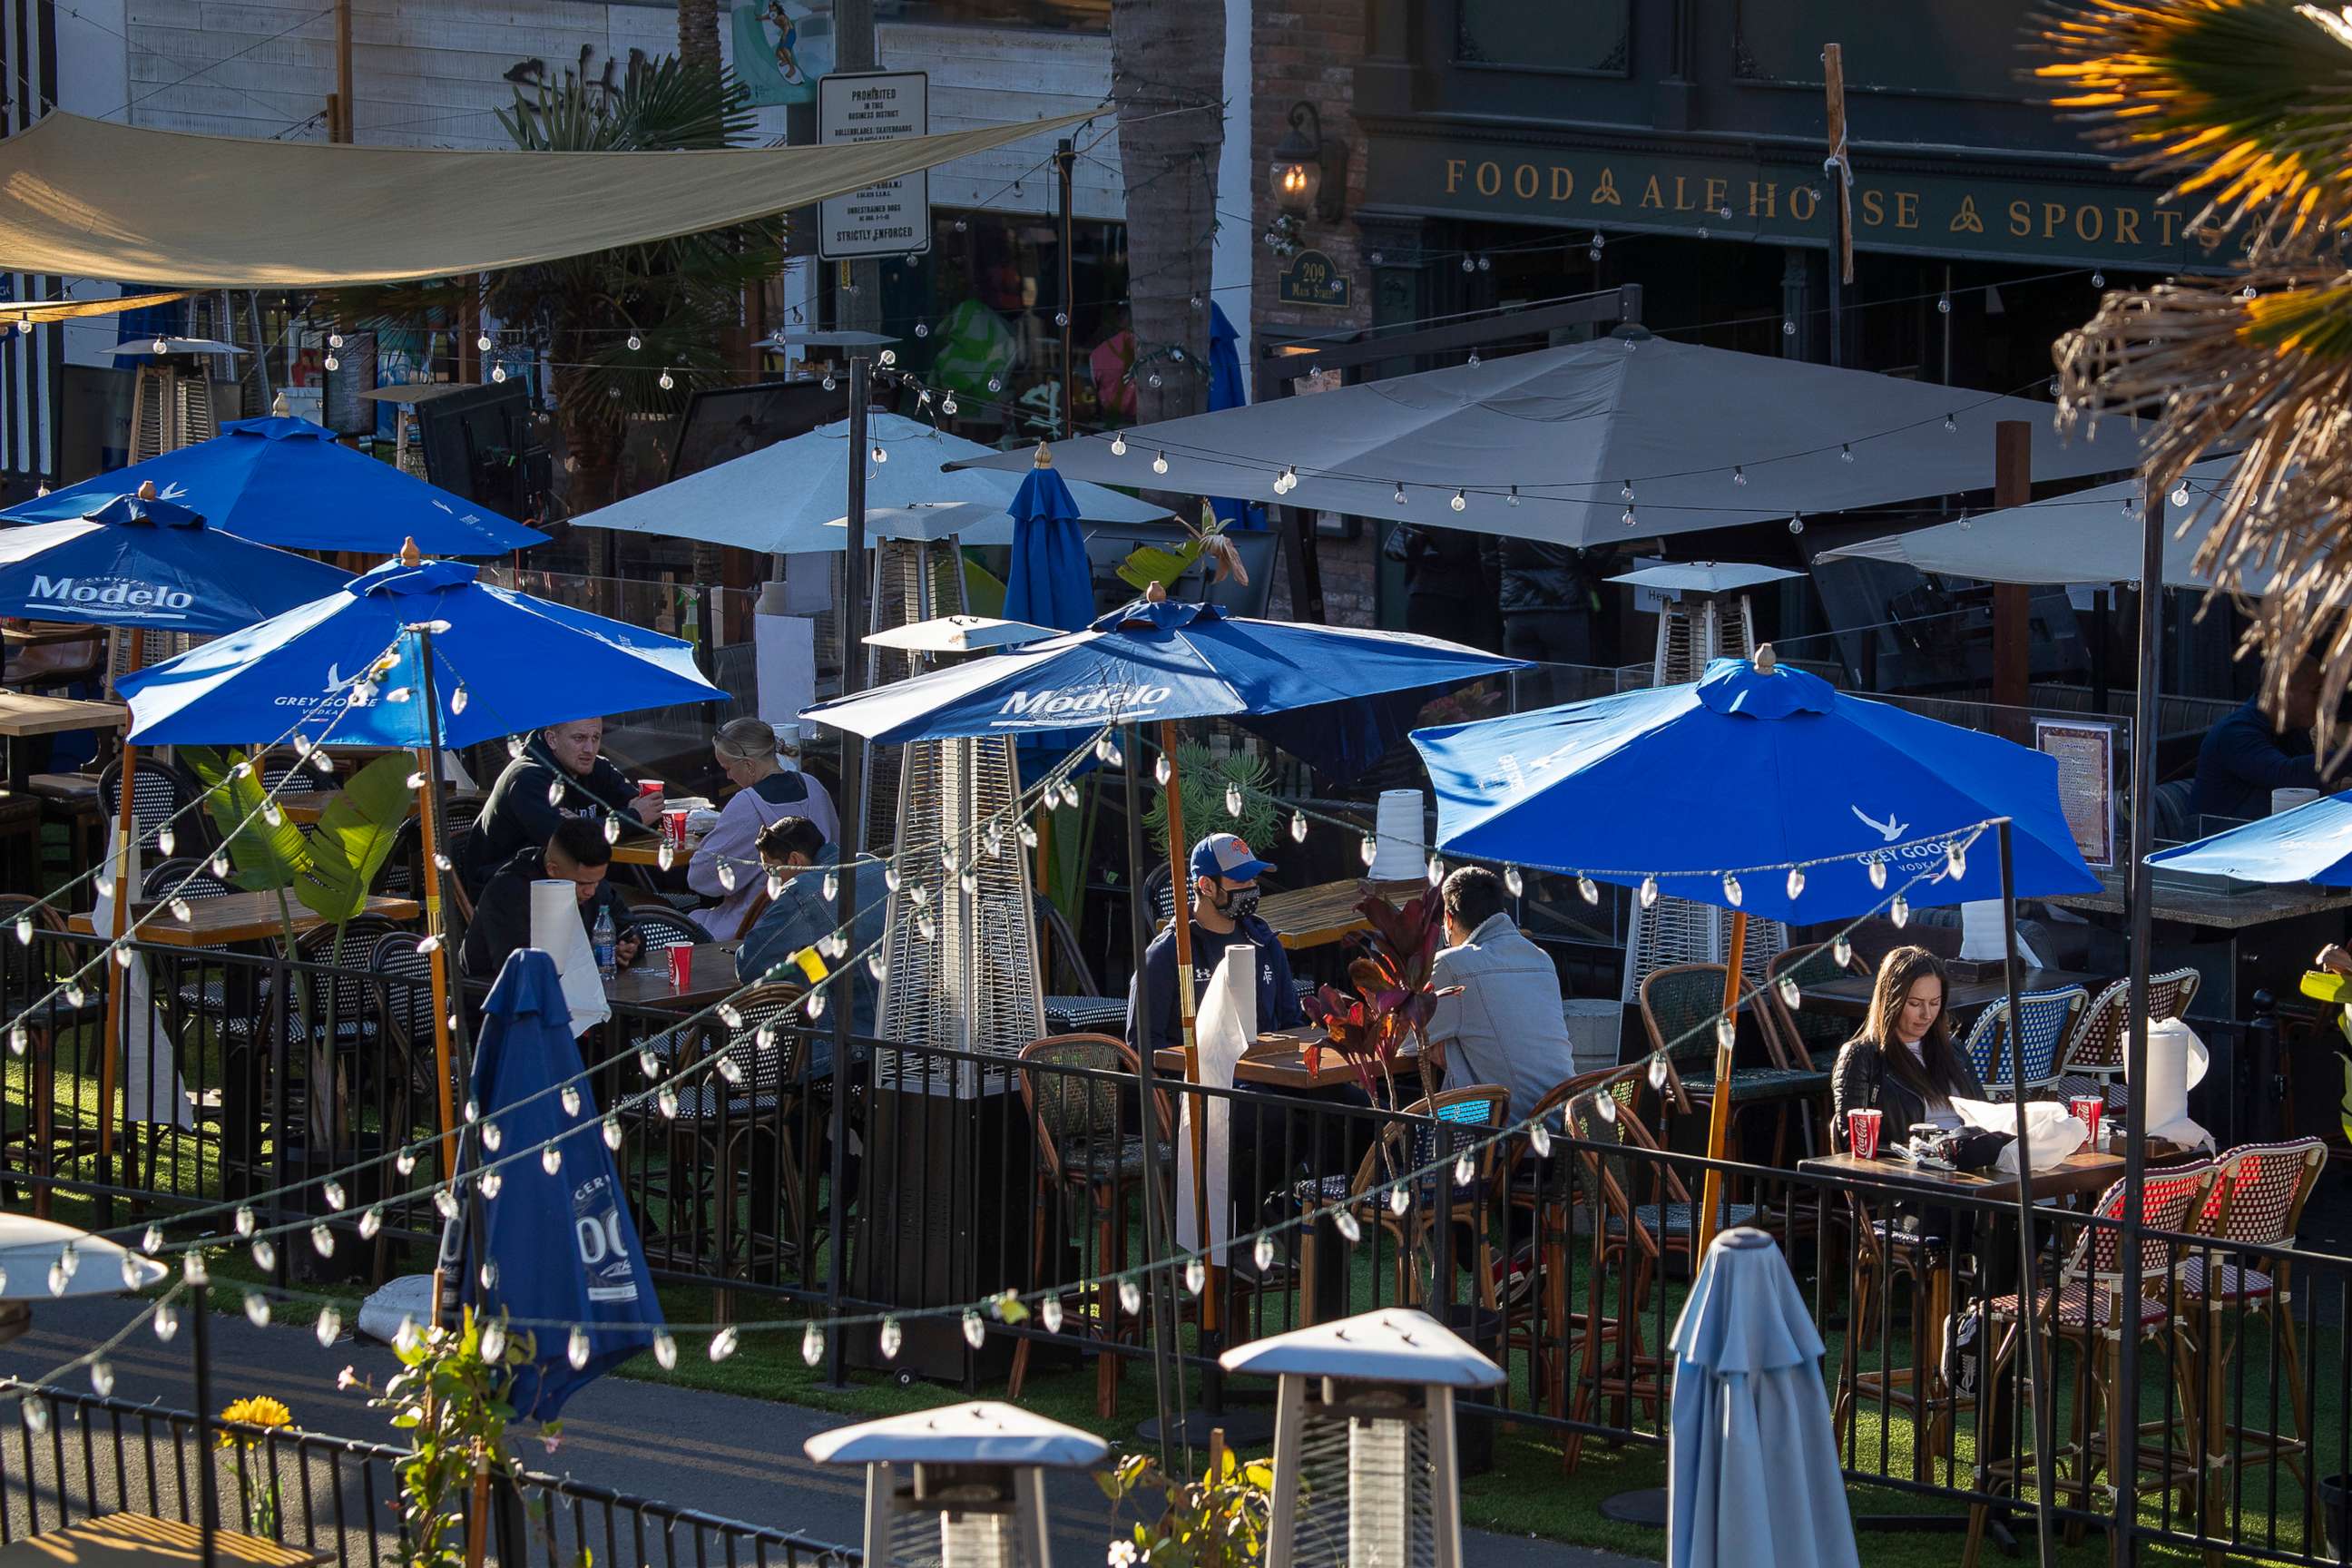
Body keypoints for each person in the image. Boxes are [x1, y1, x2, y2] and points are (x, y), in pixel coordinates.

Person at [1125, 832, 1307, 1055]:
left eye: (1254, 879)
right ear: (1207, 885)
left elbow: (1292, 1022)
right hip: (1206, 1083)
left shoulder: (1265, 942)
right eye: (1241, 880)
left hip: (1273, 1073)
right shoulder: (1167, 953)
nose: (1252, 887)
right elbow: (1143, 1044)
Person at [1425, 866, 1574, 1118]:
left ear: (1448, 920)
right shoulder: (1541, 960)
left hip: (1501, 1136)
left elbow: (1408, 1043)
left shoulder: (1451, 963)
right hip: (1563, 1125)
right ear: (1502, 912)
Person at [736, 816, 886, 1058]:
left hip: (849, 1048)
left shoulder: (803, 890)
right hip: (907, 1030)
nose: (770, 882)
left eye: (772, 871)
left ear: (795, 860)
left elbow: (750, 965)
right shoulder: (875, 865)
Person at [463, 717, 662, 897]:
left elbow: (650, 814)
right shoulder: (527, 778)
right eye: (579, 738)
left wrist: (585, 826)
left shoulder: (597, 767)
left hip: (571, 880)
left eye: (595, 738)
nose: (589, 749)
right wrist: (631, 817)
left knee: (658, 885)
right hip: (508, 890)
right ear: (552, 739)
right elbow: (566, 845)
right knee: (628, 902)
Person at [687, 718, 840, 939]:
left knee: (685, 925)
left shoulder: (747, 804)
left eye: (728, 768)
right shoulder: (814, 787)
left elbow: (701, 877)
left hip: (760, 925)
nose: (728, 776)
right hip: (823, 917)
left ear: (748, 765)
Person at [1828, 946, 1987, 1151]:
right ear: (1891, 1001)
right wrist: (1912, 1152)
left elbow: (1986, 1114)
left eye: (1935, 1003)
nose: (1927, 1015)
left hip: (1968, 1159)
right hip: (1912, 1167)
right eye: (1915, 1004)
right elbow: (1855, 1143)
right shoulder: (1863, 1055)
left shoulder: (1953, 1048)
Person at [461, 818, 641, 981]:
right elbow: (516, 967)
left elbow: (629, 928)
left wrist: (628, 948)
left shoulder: (591, 882)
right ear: (553, 869)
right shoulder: (508, 890)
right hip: (498, 1005)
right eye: (582, 884)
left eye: (597, 881)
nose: (591, 892)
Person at [2189, 660, 2331, 821]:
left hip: (2271, 834)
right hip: (2218, 842)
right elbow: (2286, 777)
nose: (2324, 700)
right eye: (2317, 691)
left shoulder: (2293, 730)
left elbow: (2311, 786)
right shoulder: (2236, 732)